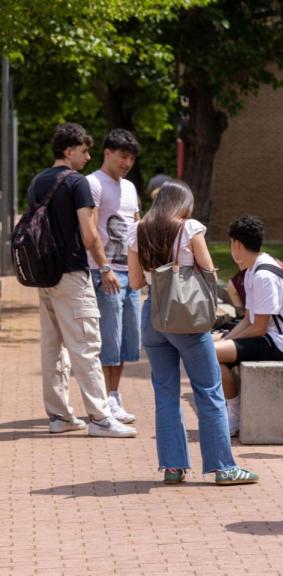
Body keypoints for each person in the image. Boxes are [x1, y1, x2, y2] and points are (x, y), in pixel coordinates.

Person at [127, 180, 258, 485]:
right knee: (209, 390)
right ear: (182, 204)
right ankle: (223, 468)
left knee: (165, 392)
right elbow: (208, 270)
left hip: (153, 315)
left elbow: (134, 282)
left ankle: (173, 467)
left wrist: (156, 273)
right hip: (186, 315)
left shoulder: (138, 231)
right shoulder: (189, 228)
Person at [32, 123, 137, 438]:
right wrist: (104, 267)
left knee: (52, 347)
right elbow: (89, 234)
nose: (87, 157)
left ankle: (59, 416)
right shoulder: (77, 183)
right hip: (72, 274)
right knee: (87, 346)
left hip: (44, 275)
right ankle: (100, 418)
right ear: (69, 151)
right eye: (83, 151)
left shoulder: (38, 181)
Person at [214, 216, 283, 436]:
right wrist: (226, 340)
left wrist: (226, 343)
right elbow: (247, 319)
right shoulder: (254, 270)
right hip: (266, 337)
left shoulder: (263, 275)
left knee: (209, 353)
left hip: (281, 344)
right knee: (209, 344)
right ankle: (230, 407)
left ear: (237, 244)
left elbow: (259, 327)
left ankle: (233, 412)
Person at [87, 129, 143, 424]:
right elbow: (91, 230)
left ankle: (113, 395)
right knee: (108, 339)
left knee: (126, 341)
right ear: (107, 152)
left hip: (129, 275)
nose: (127, 163)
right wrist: (104, 267)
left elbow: (136, 228)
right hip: (106, 273)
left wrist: (141, 270)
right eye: (123, 156)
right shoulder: (93, 183)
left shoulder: (130, 188)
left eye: (131, 158)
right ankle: (104, 401)